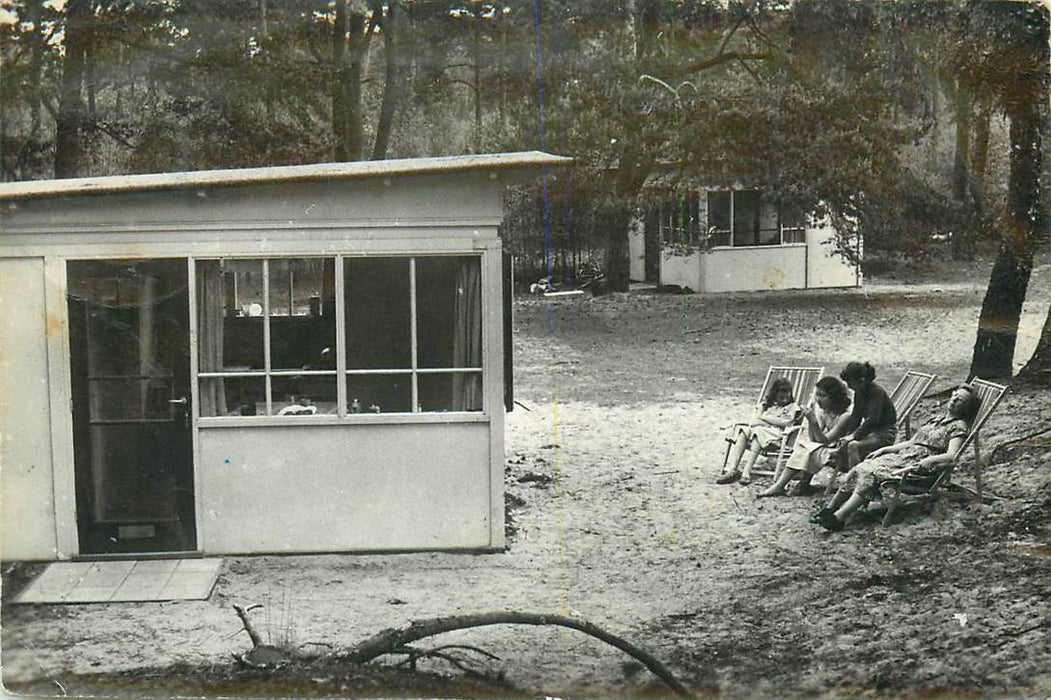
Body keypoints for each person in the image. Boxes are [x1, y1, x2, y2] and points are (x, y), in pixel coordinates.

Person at [813, 383, 980, 531]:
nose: (954, 400)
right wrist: (886, 449)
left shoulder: (958, 427)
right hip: (904, 457)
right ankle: (830, 509)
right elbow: (911, 442)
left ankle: (839, 517)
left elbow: (952, 456)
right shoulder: (935, 419)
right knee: (862, 467)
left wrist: (929, 460)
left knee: (873, 474)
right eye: (954, 396)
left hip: (920, 468)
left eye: (961, 400)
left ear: (966, 409)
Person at [757, 376, 852, 497]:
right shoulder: (825, 412)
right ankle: (789, 485)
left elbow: (826, 440)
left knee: (809, 449)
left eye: (822, 395)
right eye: (817, 395)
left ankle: (789, 484)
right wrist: (812, 421)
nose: (818, 399)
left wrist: (813, 422)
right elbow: (815, 439)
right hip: (826, 447)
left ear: (834, 398)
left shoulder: (845, 416)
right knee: (806, 446)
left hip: (841, 452)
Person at [826, 361, 898, 492]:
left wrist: (854, 436)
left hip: (885, 433)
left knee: (853, 446)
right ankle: (849, 474)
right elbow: (856, 416)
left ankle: (857, 486)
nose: (849, 386)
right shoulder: (860, 392)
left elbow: (873, 419)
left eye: (850, 383)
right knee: (846, 443)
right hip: (871, 432)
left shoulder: (876, 392)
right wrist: (848, 435)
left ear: (862, 380)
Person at [717, 377, 801, 485]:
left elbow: (785, 422)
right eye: (781, 397)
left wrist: (764, 417)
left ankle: (746, 472)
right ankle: (733, 469)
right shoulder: (767, 405)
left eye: (787, 396)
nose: (784, 399)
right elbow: (754, 421)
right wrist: (769, 421)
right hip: (761, 432)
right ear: (774, 394)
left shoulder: (792, 407)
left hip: (778, 437)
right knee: (744, 430)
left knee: (758, 431)